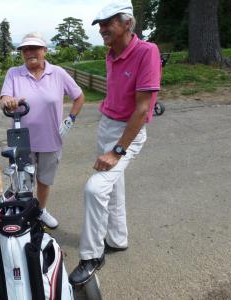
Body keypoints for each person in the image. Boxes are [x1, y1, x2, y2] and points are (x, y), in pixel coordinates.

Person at [69, 0, 161, 285]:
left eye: (108, 23)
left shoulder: (147, 51)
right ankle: (118, 239)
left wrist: (118, 150)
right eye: (100, 24)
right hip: (107, 125)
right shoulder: (111, 53)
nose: (102, 29)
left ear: (128, 23)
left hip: (127, 134)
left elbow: (142, 108)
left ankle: (92, 255)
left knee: (96, 188)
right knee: (114, 186)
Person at [0, 32, 85, 229]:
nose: (29, 52)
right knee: (23, 180)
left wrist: (70, 120)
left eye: (34, 48)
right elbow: (4, 98)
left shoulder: (58, 73)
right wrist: (8, 101)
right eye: (25, 49)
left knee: (44, 180)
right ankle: (26, 211)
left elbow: (79, 97)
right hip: (22, 139)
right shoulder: (14, 73)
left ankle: (41, 210)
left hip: (51, 138)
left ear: (44, 51)